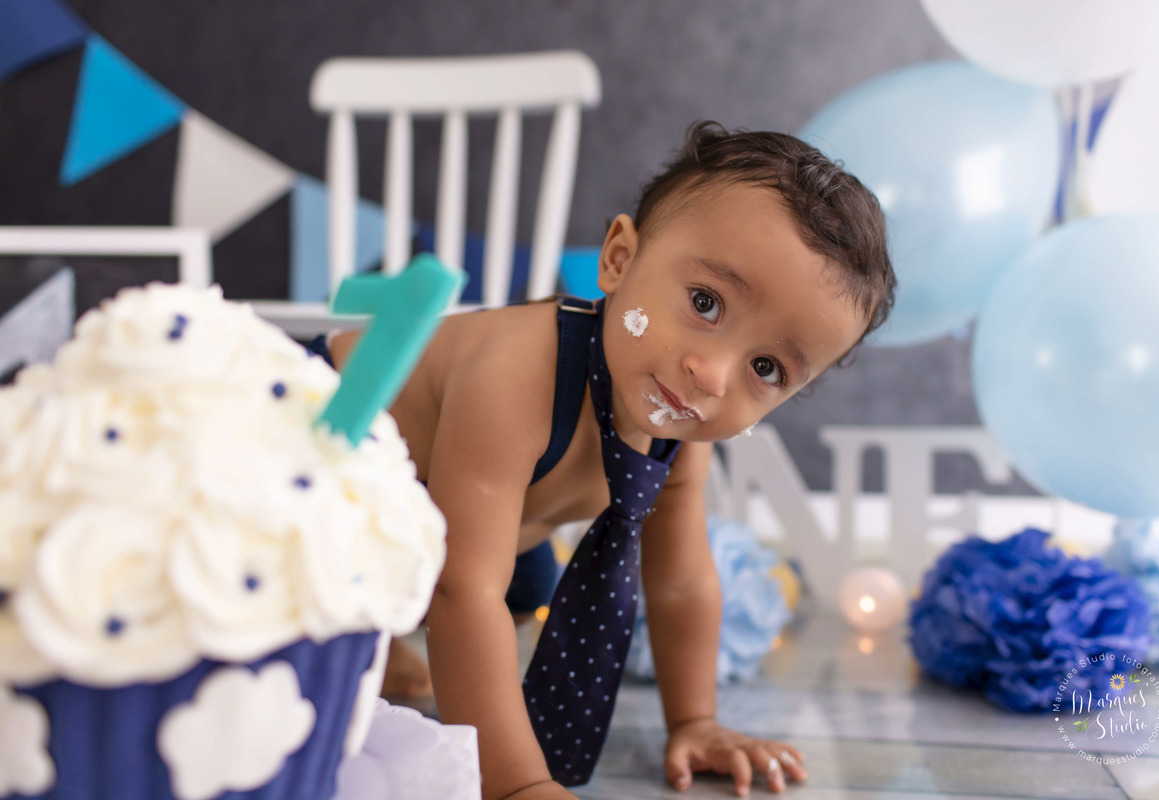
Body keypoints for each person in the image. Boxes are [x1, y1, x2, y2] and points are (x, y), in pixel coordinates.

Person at [325, 121, 895, 799]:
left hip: (451, 528)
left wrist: (696, 722)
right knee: (457, 586)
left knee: (526, 588)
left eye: (766, 367)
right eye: (706, 303)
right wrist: (516, 784)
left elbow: (681, 583)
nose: (712, 375)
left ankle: (371, 636)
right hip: (309, 448)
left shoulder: (678, 432)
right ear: (619, 259)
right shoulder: (517, 372)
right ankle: (349, 636)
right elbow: (462, 588)